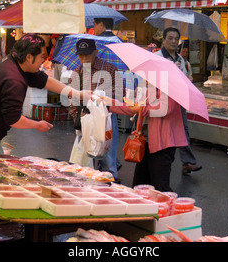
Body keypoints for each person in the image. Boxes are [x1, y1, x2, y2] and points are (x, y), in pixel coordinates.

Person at [0, 34, 89, 155]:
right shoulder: (14, 79)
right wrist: (36, 125)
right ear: (29, 57)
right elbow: (13, 119)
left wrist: (75, 93)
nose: (42, 60)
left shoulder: (14, 62)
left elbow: (45, 80)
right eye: (41, 56)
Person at [109, 87, 188, 192]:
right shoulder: (151, 88)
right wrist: (109, 103)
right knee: (140, 186)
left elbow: (165, 109)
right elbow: (134, 108)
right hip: (145, 141)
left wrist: (141, 109)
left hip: (162, 144)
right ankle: (144, 207)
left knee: (160, 187)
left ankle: (169, 207)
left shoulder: (169, 87)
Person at [68, 38, 121, 179]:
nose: (84, 58)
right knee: (85, 157)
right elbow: (72, 98)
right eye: (81, 55)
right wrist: (76, 119)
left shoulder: (109, 69)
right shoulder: (76, 73)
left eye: (87, 55)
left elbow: (120, 94)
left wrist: (103, 95)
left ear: (95, 53)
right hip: (85, 118)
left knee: (108, 157)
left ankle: (111, 183)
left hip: (106, 118)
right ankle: (88, 187)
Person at [155, 27, 202, 175]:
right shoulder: (157, 57)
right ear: (163, 40)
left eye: (176, 39)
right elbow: (152, 80)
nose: (174, 41)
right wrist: (170, 72)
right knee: (161, 132)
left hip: (178, 101)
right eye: (170, 38)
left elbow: (185, 78)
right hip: (161, 102)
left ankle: (187, 162)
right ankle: (158, 162)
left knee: (183, 130)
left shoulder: (181, 59)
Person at [92, 17, 123, 175]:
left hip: (103, 104)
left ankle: (109, 173)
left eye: (95, 25)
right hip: (109, 104)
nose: (94, 28)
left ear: (101, 25)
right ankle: (110, 169)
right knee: (109, 140)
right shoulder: (120, 43)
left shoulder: (99, 43)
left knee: (100, 141)